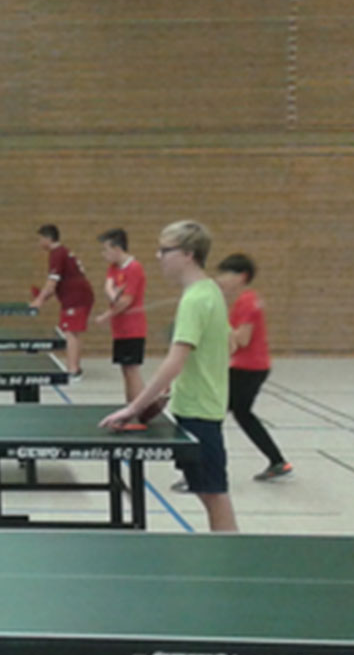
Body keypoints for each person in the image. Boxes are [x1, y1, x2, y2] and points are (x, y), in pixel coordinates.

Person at [100, 221, 236, 533]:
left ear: (188, 254)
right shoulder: (210, 291)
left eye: (165, 250)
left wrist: (133, 408)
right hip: (201, 404)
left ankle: (231, 555)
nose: (158, 256)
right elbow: (227, 344)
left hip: (200, 410)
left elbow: (175, 360)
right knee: (208, 491)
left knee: (213, 494)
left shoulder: (194, 300)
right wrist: (181, 386)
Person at [217, 253, 291, 481]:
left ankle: (208, 469)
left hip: (247, 368)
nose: (220, 279)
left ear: (242, 276)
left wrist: (217, 326)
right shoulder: (249, 299)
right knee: (242, 413)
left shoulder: (246, 302)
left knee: (213, 415)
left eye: (226, 274)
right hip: (252, 366)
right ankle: (277, 461)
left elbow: (242, 339)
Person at [30, 224, 94, 379]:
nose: (39, 243)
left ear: (48, 238)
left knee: (70, 332)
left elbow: (52, 283)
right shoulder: (63, 252)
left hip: (75, 298)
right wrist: (42, 297)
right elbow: (55, 285)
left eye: (40, 239)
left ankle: (72, 370)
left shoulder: (57, 254)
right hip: (80, 296)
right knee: (74, 333)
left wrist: (39, 301)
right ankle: (75, 367)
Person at [94, 228, 147, 403]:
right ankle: (130, 406)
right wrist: (115, 294)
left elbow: (126, 301)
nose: (104, 254)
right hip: (119, 329)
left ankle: (139, 408)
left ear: (117, 249)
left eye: (106, 250)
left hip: (133, 329)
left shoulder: (134, 268)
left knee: (132, 370)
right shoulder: (114, 268)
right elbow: (108, 288)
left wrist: (106, 315)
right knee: (125, 370)